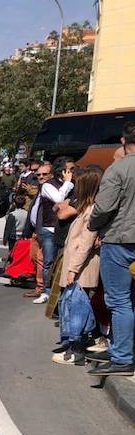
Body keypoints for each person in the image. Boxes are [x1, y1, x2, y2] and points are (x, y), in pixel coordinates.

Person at [87, 121, 135, 376]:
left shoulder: (118, 170)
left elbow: (103, 208)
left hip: (120, 241)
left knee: (119, 301)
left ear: (123, 141)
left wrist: (94, 226)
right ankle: (124, 348)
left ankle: (123, 357)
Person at [53, 167, 103, 365]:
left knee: (79, 311)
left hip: (83, 268)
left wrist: (73, 269)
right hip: (77, 266)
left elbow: (85, 243)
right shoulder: (86, 208)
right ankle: (73, 346)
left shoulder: (91, 211)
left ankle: (77, 351)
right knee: (74, 308)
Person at [30, 162, 73, 304]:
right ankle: (47, 292)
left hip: (65, 228)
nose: (41, 177)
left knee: (64, 262)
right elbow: (59, 199)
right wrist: (67, 184)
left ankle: (61, 292)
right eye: (38, 175)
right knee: (49, 261)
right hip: (50, 229)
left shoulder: (70, 184)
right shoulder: (47, 186)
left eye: (44, 174)